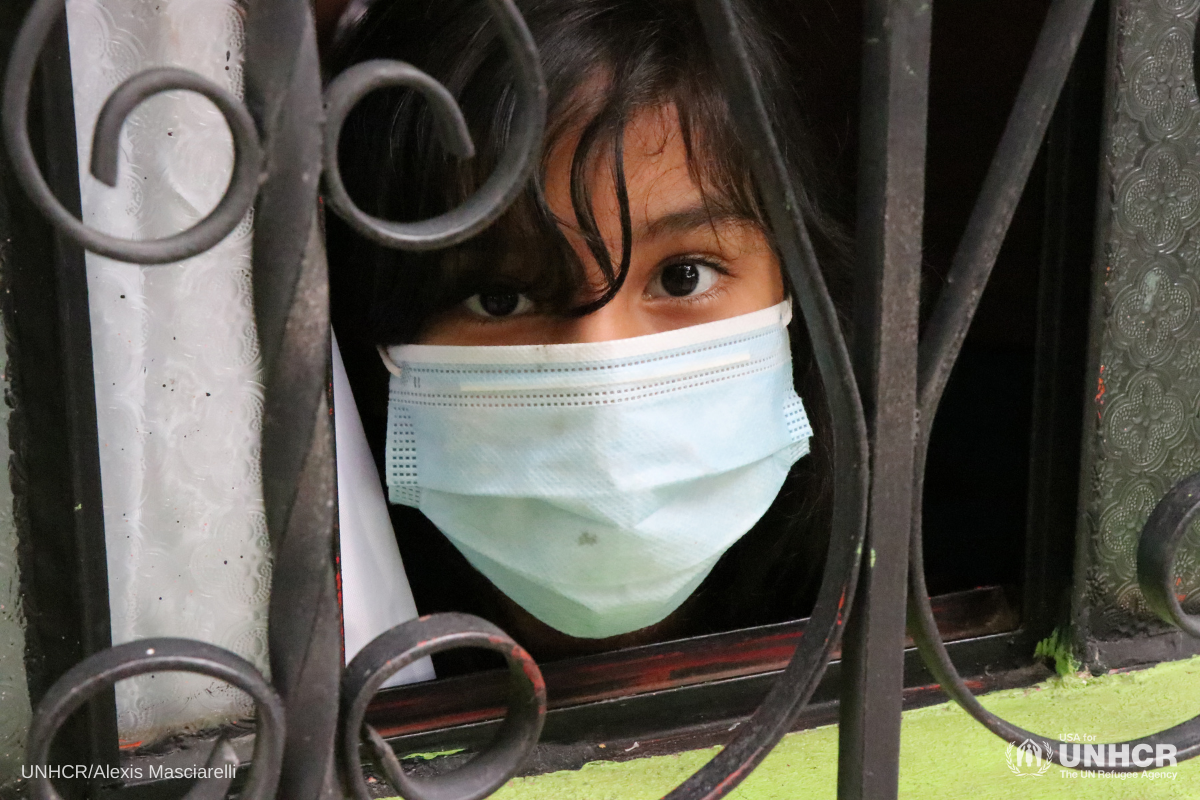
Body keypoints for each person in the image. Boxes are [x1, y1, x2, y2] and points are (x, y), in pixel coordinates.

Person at [325, 0, 849, 666]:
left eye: (683, 277)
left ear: (793, 283)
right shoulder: (320, 648)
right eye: (500, 297)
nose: (604, 373)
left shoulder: (897, 602)